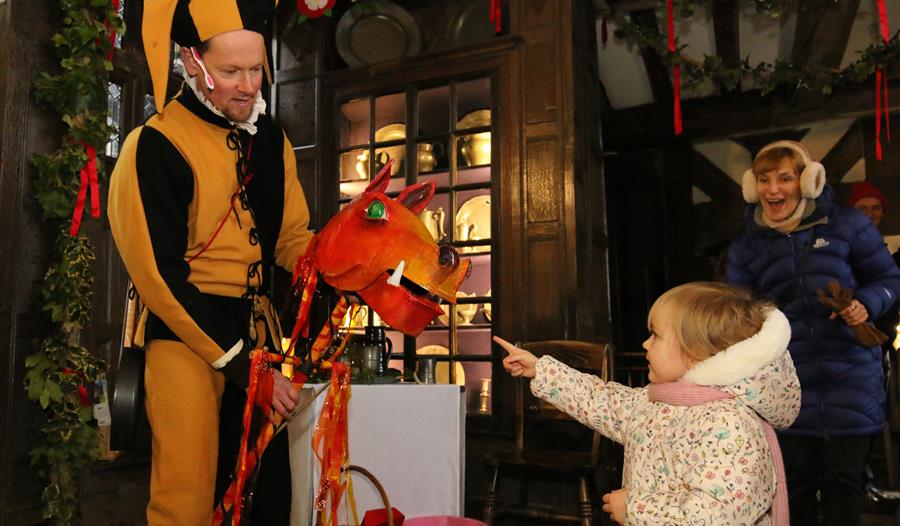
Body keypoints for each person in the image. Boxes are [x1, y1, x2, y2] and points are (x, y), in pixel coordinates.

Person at [108, 1, 313, 523]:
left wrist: (355, 257)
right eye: (230, 71)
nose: (248, 85)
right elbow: (160, 280)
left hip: (261, 333)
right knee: (188, 499)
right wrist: (242, 365)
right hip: (187, 338)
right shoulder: (153, 146)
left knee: (267, 494)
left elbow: (291, 240)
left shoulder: (272, 138)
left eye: (255, 69)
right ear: (190, 61)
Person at [496, 282, 801, 525]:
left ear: (695, 353)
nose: (645, 344)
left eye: (655, 336)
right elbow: (600, 399)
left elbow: (720, 514)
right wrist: (540, 369)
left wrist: (636, 509)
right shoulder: (655, 403)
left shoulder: (730, 425)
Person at [725, 141, 900, 526]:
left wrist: (867, 304)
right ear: (753, 188)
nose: (774, 190)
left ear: (807, 182)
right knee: (795, 485)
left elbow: (888, 277)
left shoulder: (849, 225)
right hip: (787, 382)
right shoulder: (746, 247)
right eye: (765, 180)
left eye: (785, 178)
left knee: (843, 482)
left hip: (850, 377)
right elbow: (737, 309)